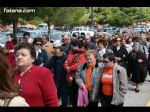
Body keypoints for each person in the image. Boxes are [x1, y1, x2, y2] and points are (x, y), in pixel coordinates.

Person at [14, 42, 59, 107]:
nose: (19, 57)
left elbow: (52, 101)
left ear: (33, 58)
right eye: (17, 55)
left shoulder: (43, 73)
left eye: (23, 55)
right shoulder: (11, 74)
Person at [64, 40, 86, 107]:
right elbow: (66, 61)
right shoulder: (71, 52)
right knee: (71, 96)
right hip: (69, 76)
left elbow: (80, 64)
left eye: (74, 45)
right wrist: (66, 67)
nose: (72, 47)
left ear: (79, 46)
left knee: (77, 97)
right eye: (72, 45)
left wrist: (69, 68)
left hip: (77, 77)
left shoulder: (83, 53)